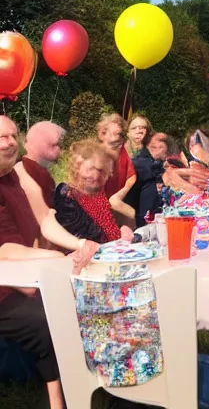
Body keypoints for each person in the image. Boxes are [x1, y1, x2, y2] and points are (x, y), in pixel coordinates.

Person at [0, 116, 98, 409]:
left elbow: (44, 218)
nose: (10, 142)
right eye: (1, 137)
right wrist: (56, 258)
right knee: (50, 317)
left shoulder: (15, 175)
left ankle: (97, 382)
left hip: (23, 277)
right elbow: (4, 249)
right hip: (5, 288)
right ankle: (60, 399)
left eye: (13, 135)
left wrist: (80, 245)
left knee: (80, 304)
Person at [54, 139, 133, 243]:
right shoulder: (67, 193)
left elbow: (108, 224)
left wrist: (122, 230)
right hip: (83, 253)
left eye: (100, 170)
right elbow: (75, 233)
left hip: (112, 249)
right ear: (76, 167)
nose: (95, 175)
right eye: (91, 169)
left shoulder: (97, 192)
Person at [127, 132, 175, 227]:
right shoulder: (141, 162)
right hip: (142, 222)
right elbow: (151, 168)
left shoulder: (163, 164)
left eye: (162, 142)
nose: (156, 144)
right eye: (151, 142)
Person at [97, 113, 136, 225]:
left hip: (117, 201)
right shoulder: (96, 153)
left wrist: (118, 196)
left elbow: (132, 177)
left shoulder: (123, 151)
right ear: (102, 134)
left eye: (119, 134)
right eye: (113, 133)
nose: (117, 137)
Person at [21, 121, 66, 208]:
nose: (60, 151)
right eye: (57, 145)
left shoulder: (21, 168)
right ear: (44, 145)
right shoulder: (37, 175)